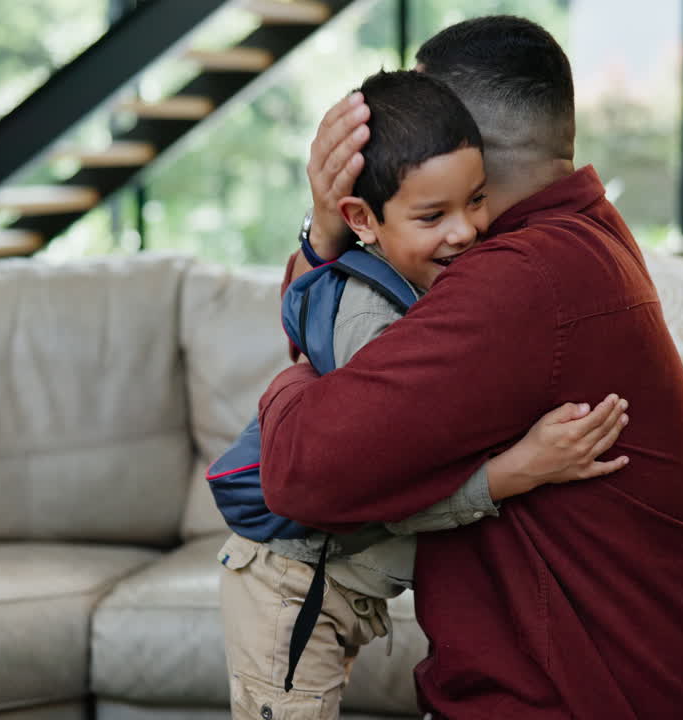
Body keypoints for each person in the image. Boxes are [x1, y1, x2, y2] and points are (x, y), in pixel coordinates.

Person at [259, 16, 683, 719]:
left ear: (465, 147)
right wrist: (326, 232)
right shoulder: (581, 236)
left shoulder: (525, 278)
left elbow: (298, 471)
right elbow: (335, 336)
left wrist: (283, 385)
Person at [219, 70, 630, 720]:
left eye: (477, 200)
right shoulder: (367, 317)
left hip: (341, 582)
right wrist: (512, 473)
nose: (466, 231)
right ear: (361, 219)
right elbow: (377, 488)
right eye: (433, 215)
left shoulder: (431, 273)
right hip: (293, 582)